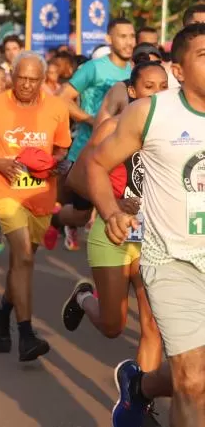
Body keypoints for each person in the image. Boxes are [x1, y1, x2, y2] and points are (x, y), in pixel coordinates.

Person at [83, 22, 205, 426]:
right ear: (178, 70)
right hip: (170, 260)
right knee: (192, 382)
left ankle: (142, 387)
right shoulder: (149, 113)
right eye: (204, 56)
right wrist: (112, 211)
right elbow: (96, 166)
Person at [61, 62, 168, 397]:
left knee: (152, 325)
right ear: (133, 92)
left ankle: (140, 399)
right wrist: (114, 205)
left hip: (156, 239)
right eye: (150, 87)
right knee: (113, 325)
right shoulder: (114, 128)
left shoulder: (180, 132)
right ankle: (82, 297)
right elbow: (78, 178)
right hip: (114, 232)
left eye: (164, 86)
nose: (159, 93)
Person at [0, 52, 71, 362]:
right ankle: (25, 333)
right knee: (23, 255)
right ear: (12, 75)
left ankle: (2, 315)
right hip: (4, 192)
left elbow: (62, 146)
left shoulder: (56, 107)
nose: (26, 84)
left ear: (43, 80)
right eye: (21, 77)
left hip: (40, 196)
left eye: (33, 79)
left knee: (22, 263)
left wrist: (55, 163)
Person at [57, 18, 135, 250]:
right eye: (123, 36)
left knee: (110, 211)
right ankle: (56, 220)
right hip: (86, 149)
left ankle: (107, 268)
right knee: (81, 216)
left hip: (119, 154)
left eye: (132, 36)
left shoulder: (136, 71)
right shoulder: (94, 68)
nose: (129, 42)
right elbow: (62, 97)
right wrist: (91, 120)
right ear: (109, 40)